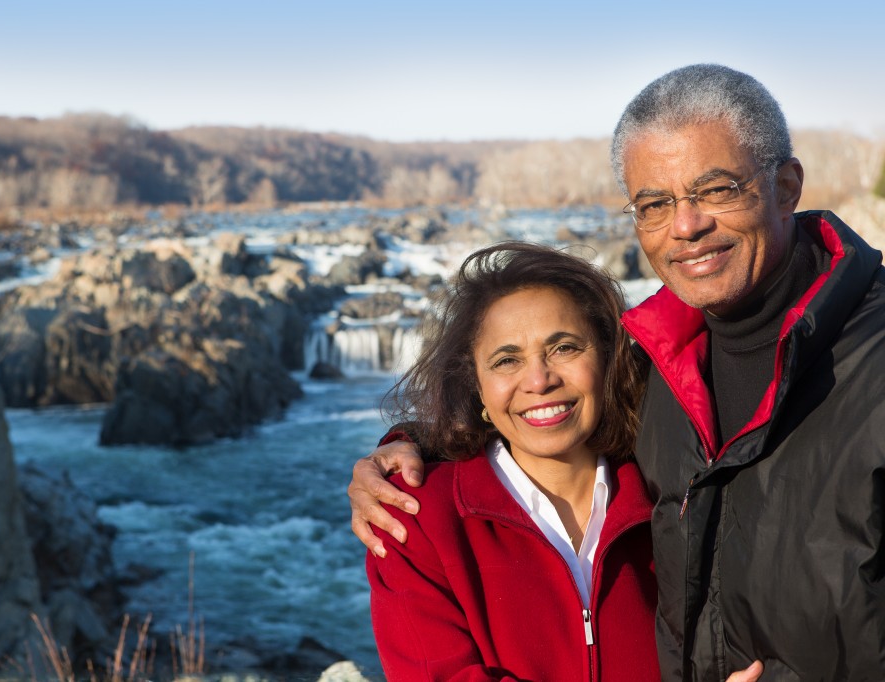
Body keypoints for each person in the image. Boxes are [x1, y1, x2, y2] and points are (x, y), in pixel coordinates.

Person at [350, 63, 885, 681]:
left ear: (787, 185)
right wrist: (405, 449)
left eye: (715, 189)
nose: (686, 226)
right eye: (655, 203)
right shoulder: (662, 373)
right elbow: (536, 404)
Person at [367, 241, 659, 681]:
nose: (539, 380)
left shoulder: (672, 492)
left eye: (564, 348)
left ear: (608, 358)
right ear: (476, 384)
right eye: (507, 360)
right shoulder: (414, 518)